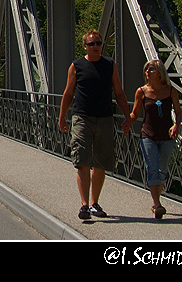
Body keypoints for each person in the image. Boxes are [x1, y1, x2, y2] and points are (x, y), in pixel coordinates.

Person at [58, 29, 132, 220]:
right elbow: (68, 93)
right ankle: (84, 205)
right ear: (85, 46)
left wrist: (128, 116)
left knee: (101, 163)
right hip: (82, 117)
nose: (96, 47)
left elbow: (119, 92)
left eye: (99, 43)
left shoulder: (109, 65)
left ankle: (94, 203)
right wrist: (62, 117)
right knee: (82, 161)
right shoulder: (77, 66)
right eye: (92, 44)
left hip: (105, 118)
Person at [127, 59, 182, 219]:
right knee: (152, 168)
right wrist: (127, 121)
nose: (147, 72)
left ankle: (155, 202)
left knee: (162, 170)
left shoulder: (171, 91)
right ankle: (157, 204)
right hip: (148, 135)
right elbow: (135, 113)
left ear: (159, 72)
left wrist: (176, 125)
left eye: (151, 70)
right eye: (146, 70)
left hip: (167, 136)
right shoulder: (141, 91)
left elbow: (178, 112)